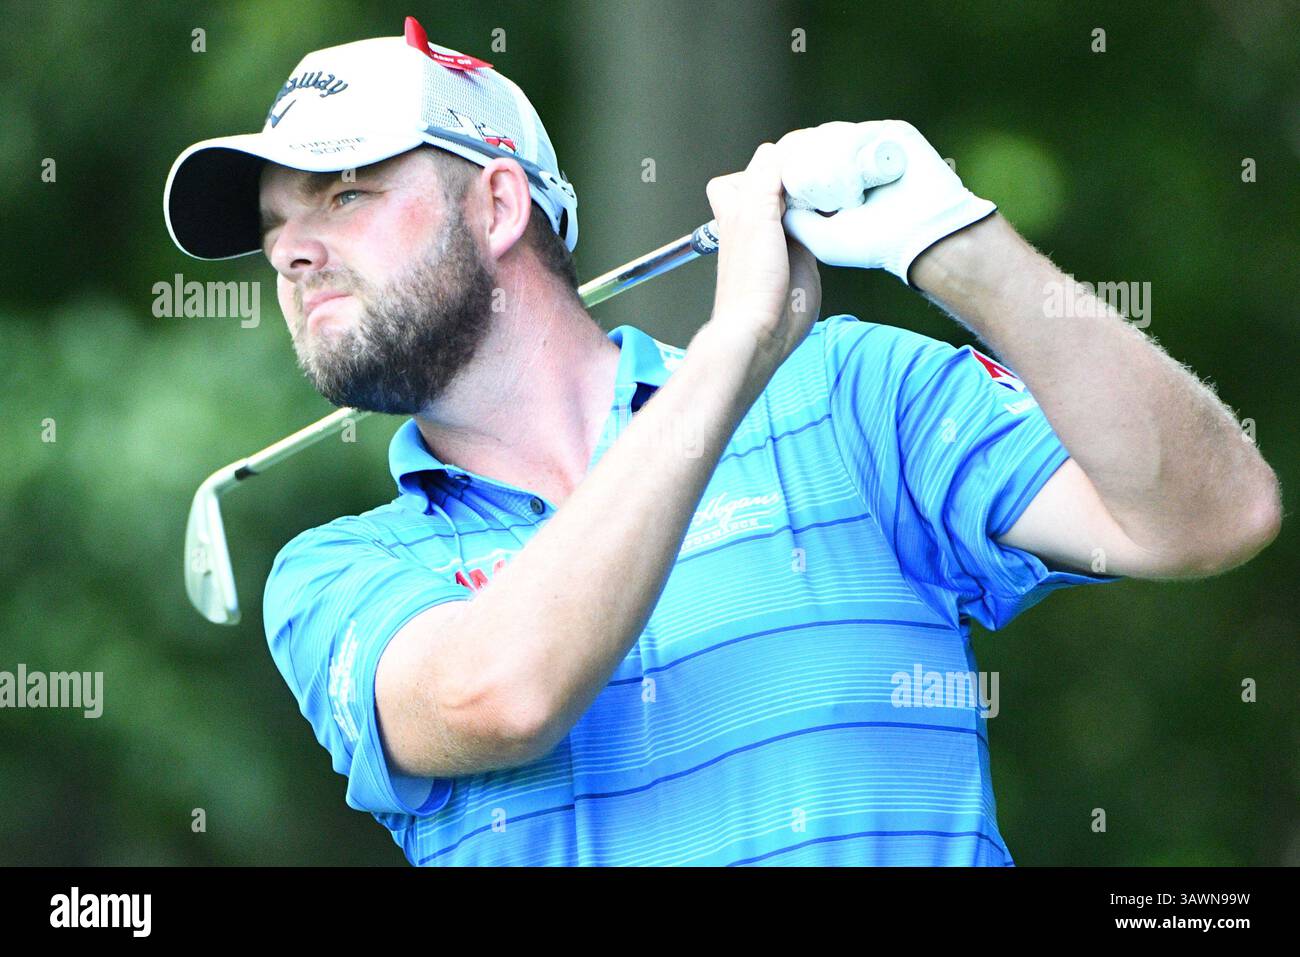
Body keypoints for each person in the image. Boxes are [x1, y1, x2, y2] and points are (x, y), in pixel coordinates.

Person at [164, 17, 1281, 866]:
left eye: (344, 195)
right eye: (276, 229)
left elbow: (1213, 516)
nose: (293, 253)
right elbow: (499, 695)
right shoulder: (334, 577)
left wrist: (957, 242)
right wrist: (731, 349)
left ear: (498, 207)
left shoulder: (847, 396)